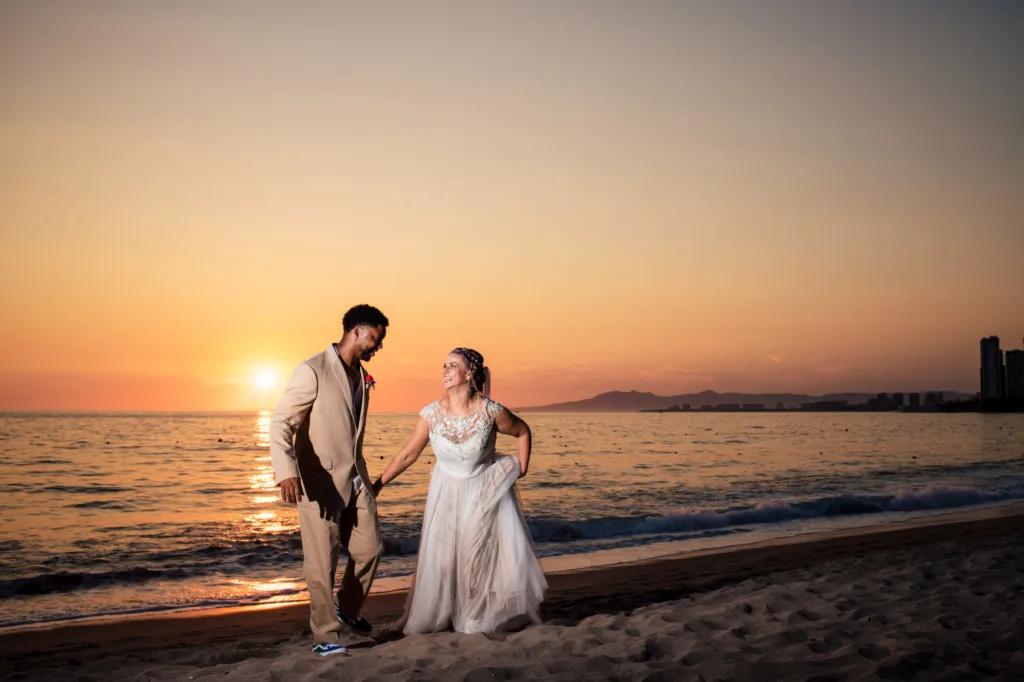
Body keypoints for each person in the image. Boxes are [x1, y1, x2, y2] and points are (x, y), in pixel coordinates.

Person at [373, 347, 547, 634]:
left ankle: (475, 613)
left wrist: (521, 468)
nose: (444, 370)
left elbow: (523, 431)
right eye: (444, 365)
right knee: (444, 559)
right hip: (446, 494)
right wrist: (378, 483)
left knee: (475, 555)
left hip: (483, 491)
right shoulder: (430, 414)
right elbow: (407, 455)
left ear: (469, 373)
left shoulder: (491, 411)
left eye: (452, 366)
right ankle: (445, 613)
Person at [269, 304, 388, 656]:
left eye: (379, 340)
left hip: (356, 481)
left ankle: (347, 609)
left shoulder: (361, 376)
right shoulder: (312, 370)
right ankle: (325, 636)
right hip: (318, 483)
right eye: (374, 338)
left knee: (371, 549)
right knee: (322, 564)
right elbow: (280, 424)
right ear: (355, 331)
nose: (377, 345)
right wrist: (286, 472)